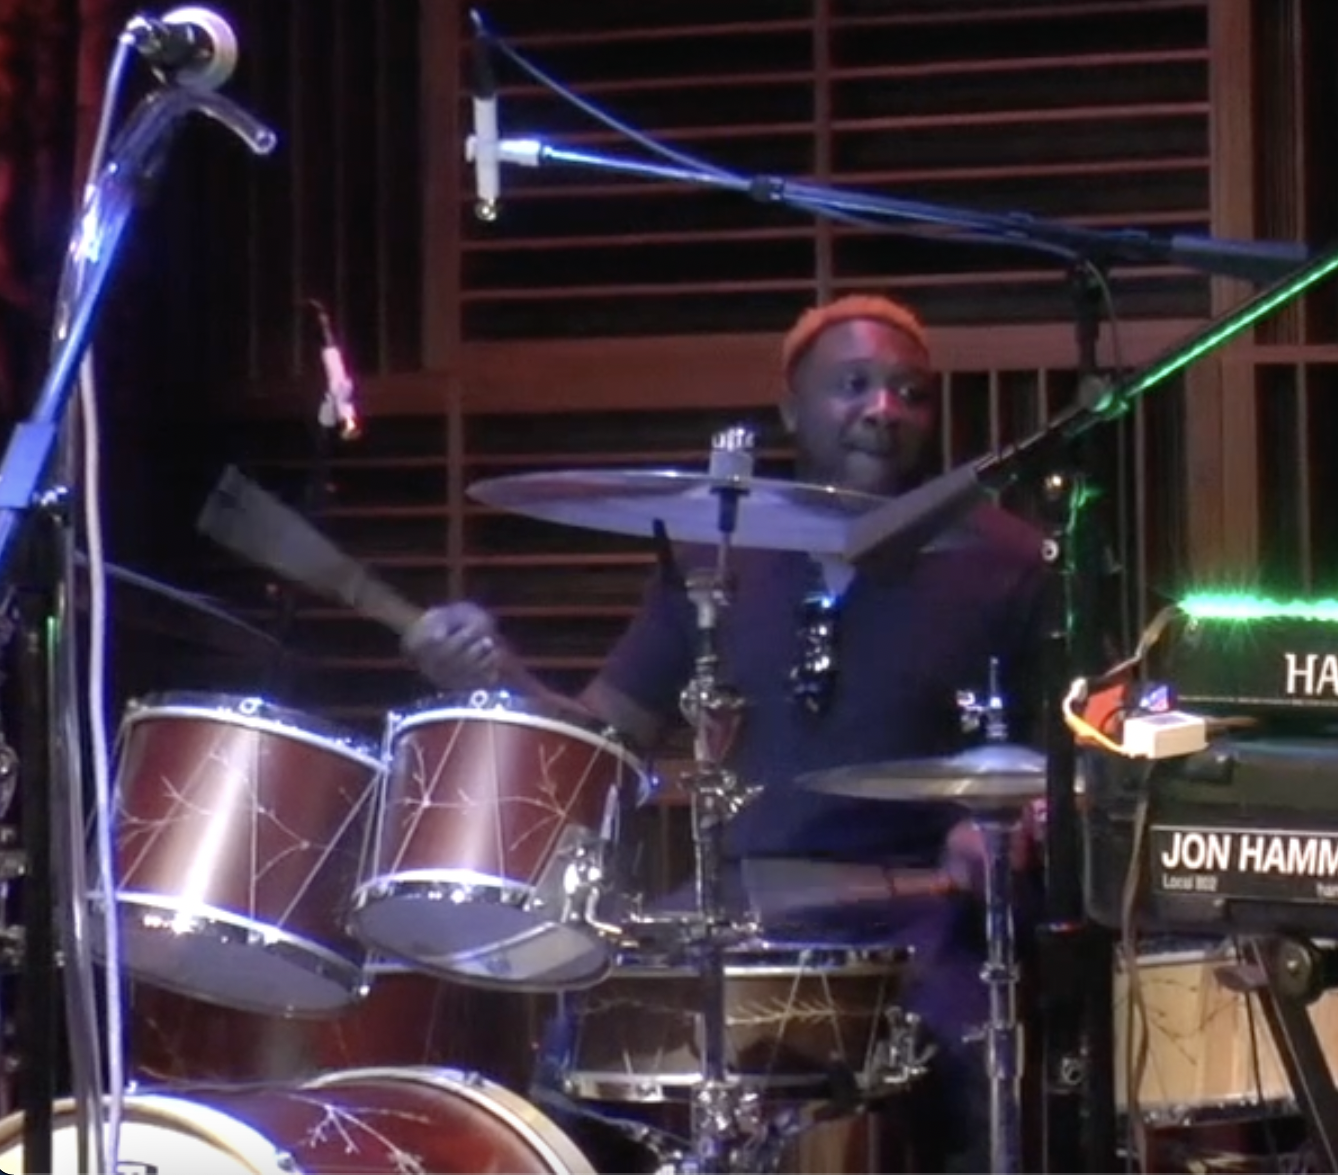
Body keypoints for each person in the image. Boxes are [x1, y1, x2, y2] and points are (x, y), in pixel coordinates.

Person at [405, 293, 1052, 1173]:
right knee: (586, 1047)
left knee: (966, 1074)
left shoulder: (1002, 561)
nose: (884, 409)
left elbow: (1065, 752)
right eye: (854, 386)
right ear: (791, 409)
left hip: (918, 913)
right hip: (745, 907)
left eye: (911, 393)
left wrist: (1008, 820)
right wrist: (494, 676)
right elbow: (602, 739)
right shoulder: (716, 556)